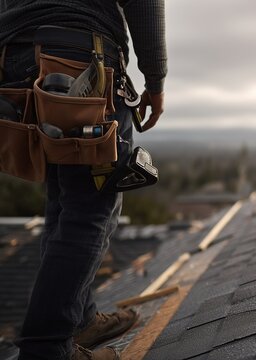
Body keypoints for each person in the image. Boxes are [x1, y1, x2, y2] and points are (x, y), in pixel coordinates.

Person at [0, 1, 167, 359]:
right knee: (92, 206)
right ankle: (48, 348)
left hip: (13, 58)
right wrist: (155, 78)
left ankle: (80, 320)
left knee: (64, 200)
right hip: (80, 57)